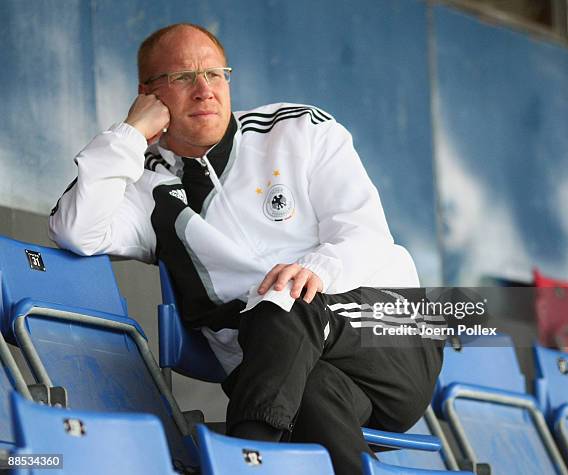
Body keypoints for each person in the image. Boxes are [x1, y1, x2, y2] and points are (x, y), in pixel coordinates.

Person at [49, 23, 443, 475]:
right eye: (181, 78)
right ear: (148, 94)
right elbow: (76, 230)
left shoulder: (298, 129)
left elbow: (366, 235)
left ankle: (245, 460)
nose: (204, 90)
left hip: (389, 337)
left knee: (289, 303)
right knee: (311, 403)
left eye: (215, 75)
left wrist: (310, 271)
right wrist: (130, 134)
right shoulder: (146, 184)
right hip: (289, 376)